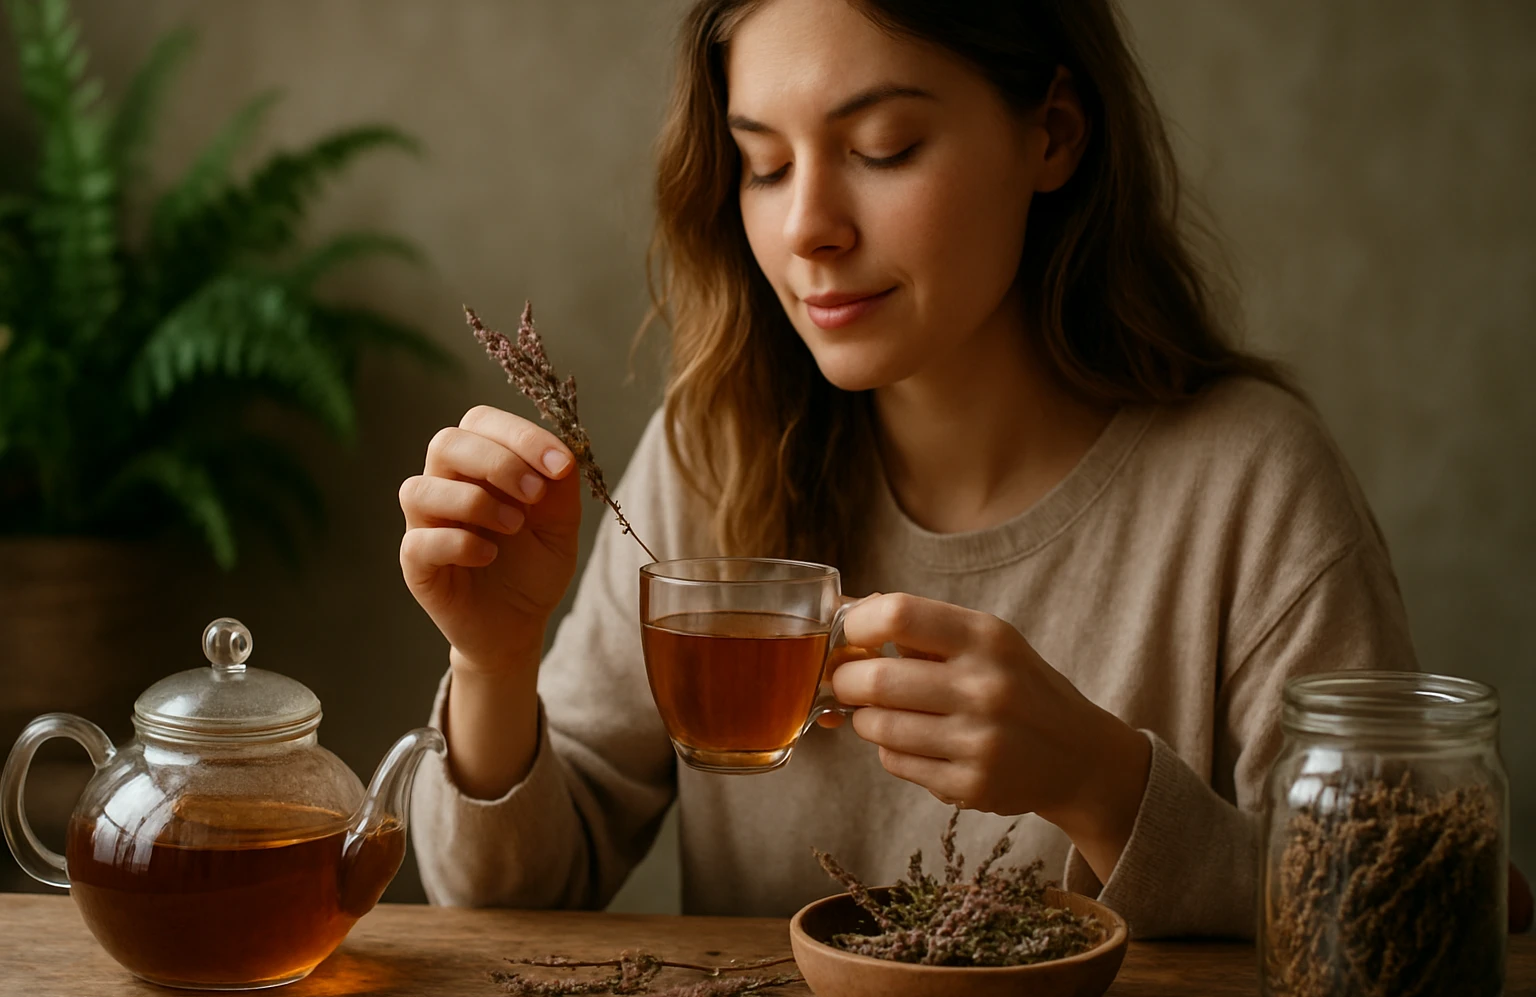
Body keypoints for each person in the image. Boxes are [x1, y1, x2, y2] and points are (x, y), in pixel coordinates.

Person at [398, 0, 1415, 938]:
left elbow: (1409, 915)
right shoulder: (710, 453)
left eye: (884, 148)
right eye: (763, 164)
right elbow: (508, 902)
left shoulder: (1252, 485)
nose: (807, 229)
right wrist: (492, 661)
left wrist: (1101, 784)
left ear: (1052, 133)